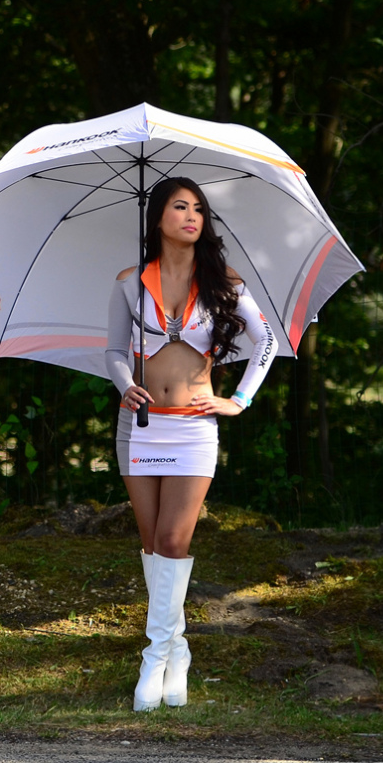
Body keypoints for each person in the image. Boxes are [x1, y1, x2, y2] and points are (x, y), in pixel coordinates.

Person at [107, 177, 275, 711]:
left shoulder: (224, 283)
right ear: (157, 217)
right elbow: (112, 350)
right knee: (152, 545)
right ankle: (177, 652)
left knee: (173, 541)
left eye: (198, 209)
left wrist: (239, 400)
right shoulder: (131, 282)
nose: (192, 216)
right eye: (180, 207)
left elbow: (266, 340)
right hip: (139, 425)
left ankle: (153, 657)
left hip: (193, 428)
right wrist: (124, 383)